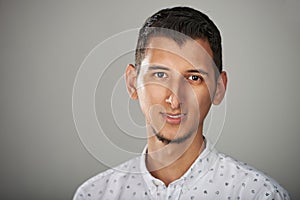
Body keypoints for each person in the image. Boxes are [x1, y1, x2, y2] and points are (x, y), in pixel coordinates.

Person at [73, 6, 290, 199]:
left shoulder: (260, 194)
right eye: (160, 75)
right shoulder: (94, 194)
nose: (174, 99)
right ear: (132, 83)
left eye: (194, 78)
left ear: (219, 89)